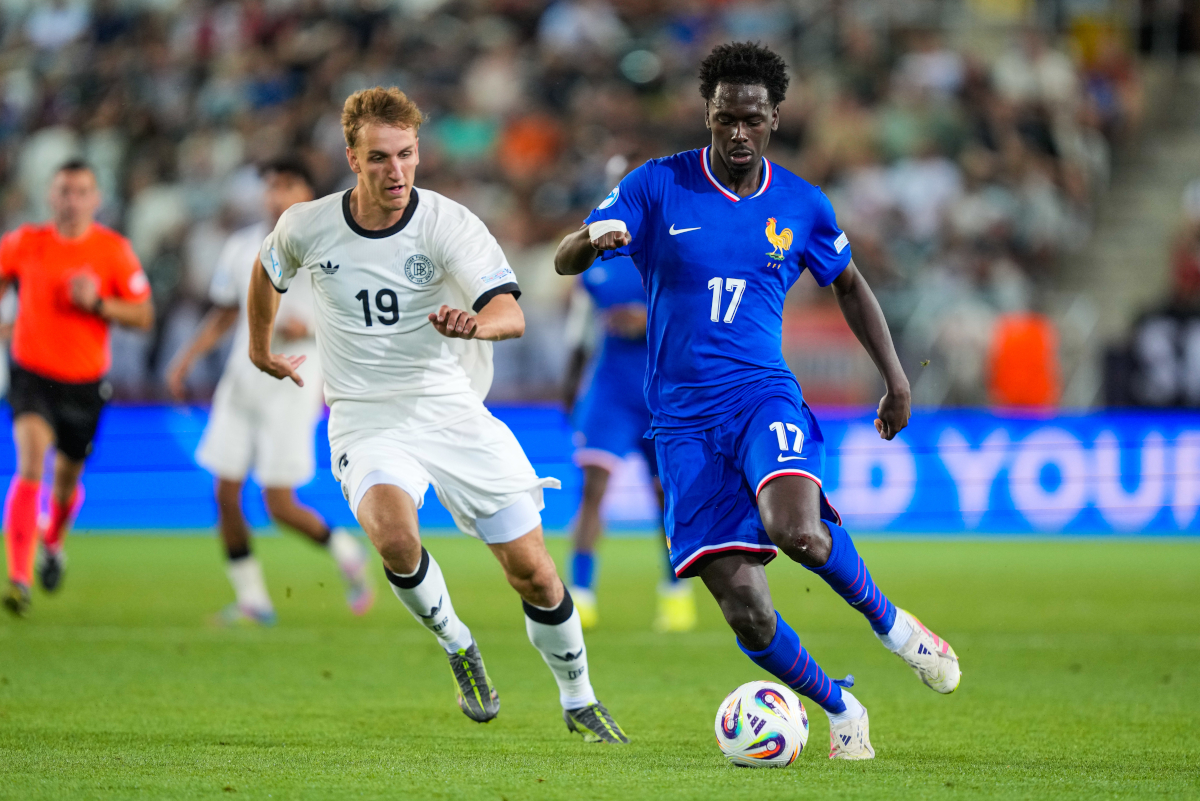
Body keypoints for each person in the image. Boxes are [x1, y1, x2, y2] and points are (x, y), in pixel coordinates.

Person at [554, 42, 961, 759]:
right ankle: (841, 705)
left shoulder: (802, 203)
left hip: (760, 396)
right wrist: (594, 238)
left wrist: (896, 378)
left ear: (774, 119)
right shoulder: (655, 187)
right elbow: (565, 257)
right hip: (679, 422)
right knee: (746, 610)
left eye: (751, 119)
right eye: (724, 119)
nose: (737, 132)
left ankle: (896, 626)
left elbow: (849, 284)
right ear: (707, 115)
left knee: (796, 529)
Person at [246, 87, 627, 743]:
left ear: (418, 153)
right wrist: (260, 349)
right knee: (393, 534)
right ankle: (459, 645)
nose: (396, 172)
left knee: (532, 570)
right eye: (379, 159)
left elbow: (512, 313)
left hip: (449, 407)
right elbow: (267, 270)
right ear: (352, 158)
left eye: (407, 155)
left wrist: (476, 324)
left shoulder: (448, 223)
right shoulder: (308, 225)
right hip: (366, 417)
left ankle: (579, 697)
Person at [167, 157, 373, 625]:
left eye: (288, 184)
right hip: (241, 380)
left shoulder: (330, 248)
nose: (277, 194)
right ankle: (253, 600)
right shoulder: (243, 247)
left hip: (294, 385)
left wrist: (312, 327)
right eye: (271, 185)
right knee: (224, 492)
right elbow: (225, 312)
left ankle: (346, 552)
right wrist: (186, 358)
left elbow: (354, 316)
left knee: (279, 503)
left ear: (308, 194)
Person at [0, 159, 154, 616]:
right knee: (30, 464)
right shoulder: (26, 242)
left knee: (65, 485)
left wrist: (99, 303)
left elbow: (143, 316)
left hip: (84, 385)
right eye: (64, 191)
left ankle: (53, 543)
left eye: (81, 191)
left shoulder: (113, 251)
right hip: (32, 376)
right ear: (51, 196)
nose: (71, 200)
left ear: (96, 198)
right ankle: (19, 578)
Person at [562, 253, 695, 632]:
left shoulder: (678, 260)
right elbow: (581, 334)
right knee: (592, 489)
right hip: (611, 396)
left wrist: (648, 322)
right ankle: (581, 595)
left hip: (664, 396)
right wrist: (570, 391)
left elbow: (698, 324)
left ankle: (676, 594)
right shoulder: (595, 272)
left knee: (667, 499)